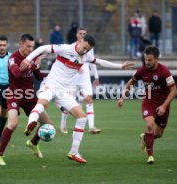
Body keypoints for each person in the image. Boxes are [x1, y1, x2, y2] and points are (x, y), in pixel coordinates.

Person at [20, 35, 134, 163]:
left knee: (82, 117)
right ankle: (31, 122)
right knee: (43, 103)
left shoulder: (86, 56)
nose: (85, 51)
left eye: (88, 50)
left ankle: (74, 152)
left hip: (63, 92)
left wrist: (120, 66)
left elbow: (100, 62)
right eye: (84, 47)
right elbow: (43, 48)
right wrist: (28, 59)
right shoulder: (65, 49)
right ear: (80, 41)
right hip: (50, 85)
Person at [0, 33, 53, 166]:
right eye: (28, 46)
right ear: (20, 44)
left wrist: (55, 73)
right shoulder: (13, 59)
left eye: (32, 47)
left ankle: (33, 143)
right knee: (13, 123)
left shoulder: (33, 57)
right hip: (15, 95)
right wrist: (33, 65)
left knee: (47, 123)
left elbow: (38, 76)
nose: (31, 50)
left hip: (29, 96)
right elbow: (17, 74)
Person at [117, 46, 177, 164]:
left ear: (156, 59)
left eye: (150, 60)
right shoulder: (142, 70)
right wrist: (123, 97)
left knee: (158, 134)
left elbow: (174, 91)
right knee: (149, 124)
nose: (147, 62)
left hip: (163, 104)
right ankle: (150, 156)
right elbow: (131, 82)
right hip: (148, 101)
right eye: (145, 59)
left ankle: (146, 137)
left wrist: (164, 106)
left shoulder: (164, 72)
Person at [60, 28, 101, 134]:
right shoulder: (71, 47)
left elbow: (93, 62)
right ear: (77, 35)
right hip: (73, 79)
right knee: (69, 104)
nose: (82, 35)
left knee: (89, 100)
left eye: (84, 34)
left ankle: (91, 127)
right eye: (80, 33)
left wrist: (96, 76)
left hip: (85, 79)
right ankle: (63, 124)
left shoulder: (89, 48)